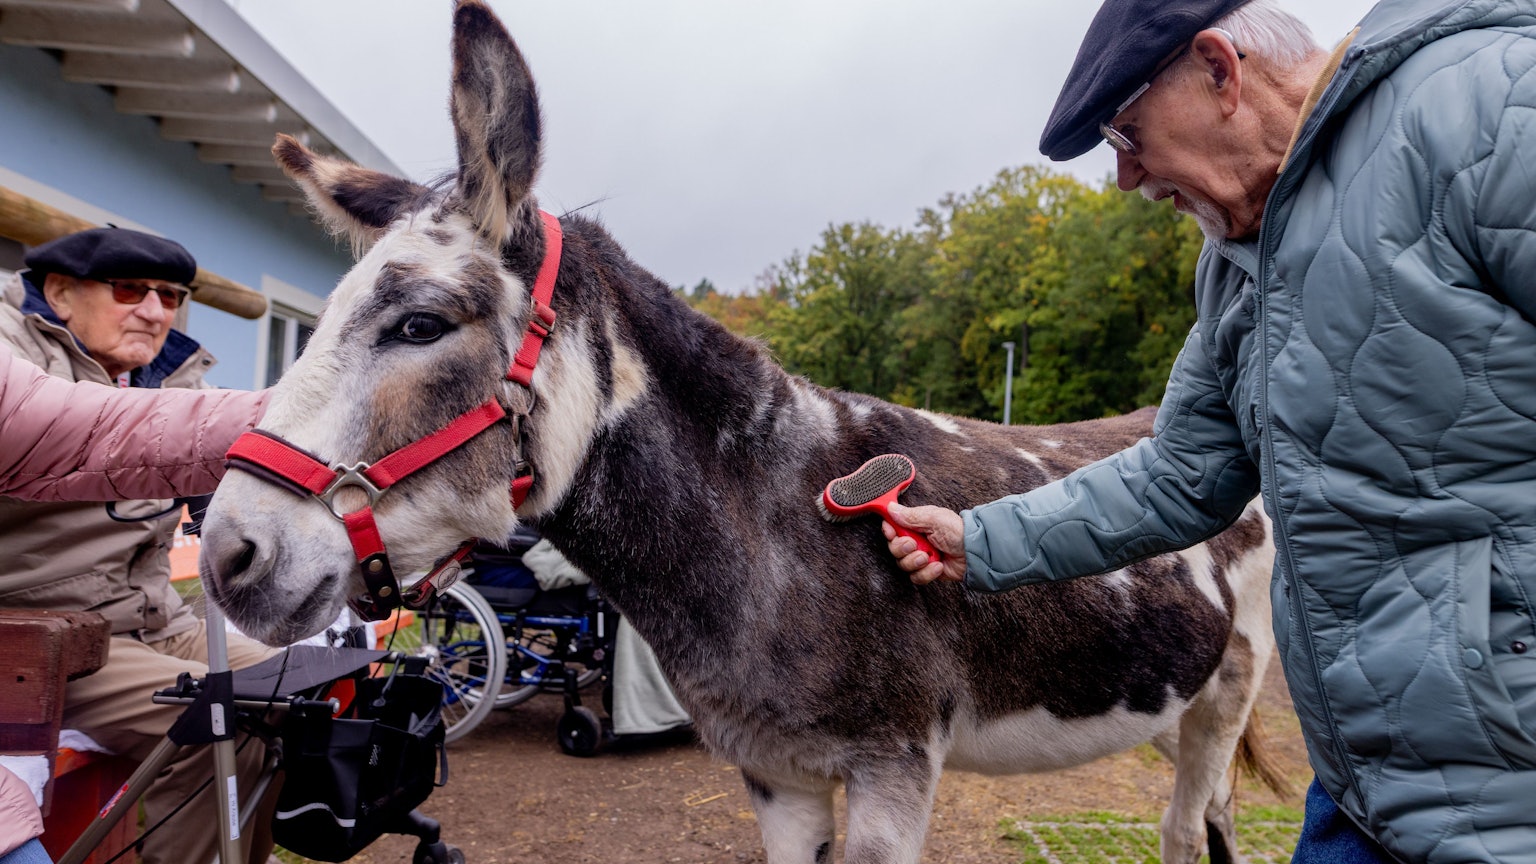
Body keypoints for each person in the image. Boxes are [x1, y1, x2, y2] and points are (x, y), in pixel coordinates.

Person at [881, 0, 1536, 861]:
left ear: (1220, 71)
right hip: (1362, 795)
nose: (1126, 179)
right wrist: (980, 537)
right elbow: (1179, 475)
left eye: (1125, 134)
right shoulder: (1235, 268)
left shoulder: (1486, 105)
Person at [0, 227, 278, 864]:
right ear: (61, 293)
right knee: (220, 727)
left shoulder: (171, 379)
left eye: (171, 295)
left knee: (290, 690)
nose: (155, 312)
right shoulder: (15, 357)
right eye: (131, 290)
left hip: (152, 618)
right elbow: (77, 430)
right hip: (45, 635)